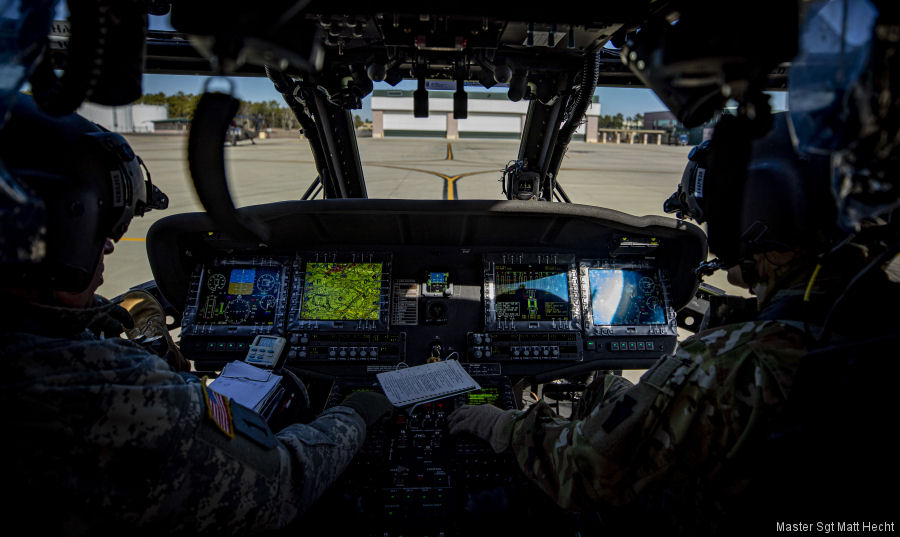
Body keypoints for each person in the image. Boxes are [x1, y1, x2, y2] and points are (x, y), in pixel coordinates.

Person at [448, 109, 900, 534]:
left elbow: (583, 472)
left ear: (768, 230)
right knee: (605, 388)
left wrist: (502, 424)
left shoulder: (727, 365)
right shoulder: (873, 323)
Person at [0, 96, 393, 535]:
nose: (108, 247)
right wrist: (354, 412)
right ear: (57, 232)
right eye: (101, 231)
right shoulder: (94, 389)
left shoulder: (53, 351)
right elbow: (281, 485)